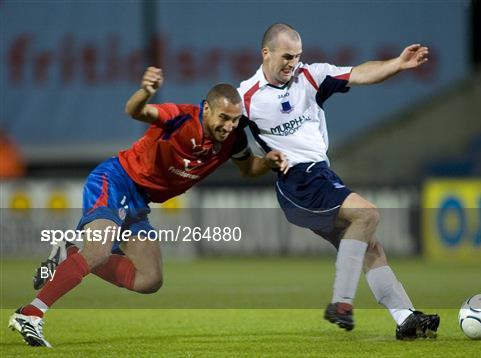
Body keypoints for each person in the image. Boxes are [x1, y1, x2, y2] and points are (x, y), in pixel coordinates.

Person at [9, 66, 289, 348]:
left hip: (139, 200)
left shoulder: (234, 139)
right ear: (206, 108)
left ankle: (69, 252)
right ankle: (31, 314)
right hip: (115, 180)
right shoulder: (180, 117)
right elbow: (135, 111)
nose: (229, 126)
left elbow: (249, 169)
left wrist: (268, 162)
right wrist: (146, 92)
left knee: (149, 279)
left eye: (235, 119)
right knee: (97, 251)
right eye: (224, 118)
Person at [237, 23, 439, 339]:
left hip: (322, 175)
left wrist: (397, 65)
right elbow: (223, 136)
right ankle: (341, 302)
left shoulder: (310, 76)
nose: (293, 63)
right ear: (267, 53)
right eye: (287, 56)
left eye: (297, 56)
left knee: (370, 245)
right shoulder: (245, 98)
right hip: (298, 181)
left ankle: (405, 318)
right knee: (367, 214)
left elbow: (359, 73)